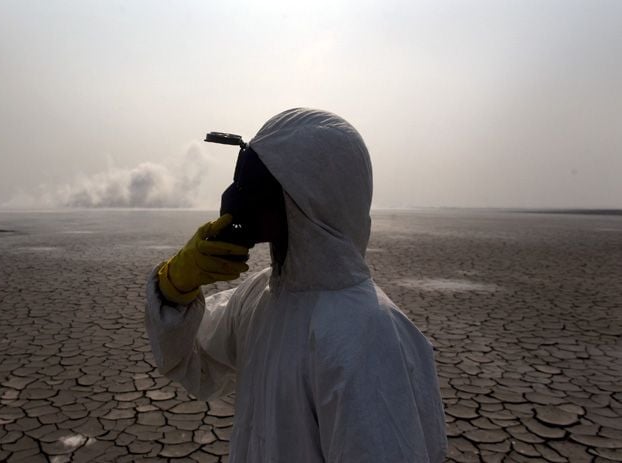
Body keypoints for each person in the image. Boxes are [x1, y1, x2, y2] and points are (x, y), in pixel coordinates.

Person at [145, 108, 447, 462]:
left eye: (257, 183)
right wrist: (174, 288)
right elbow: (197, 368)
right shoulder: (261, 297)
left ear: (311, 198)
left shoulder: (366, 333)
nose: (239, 196)